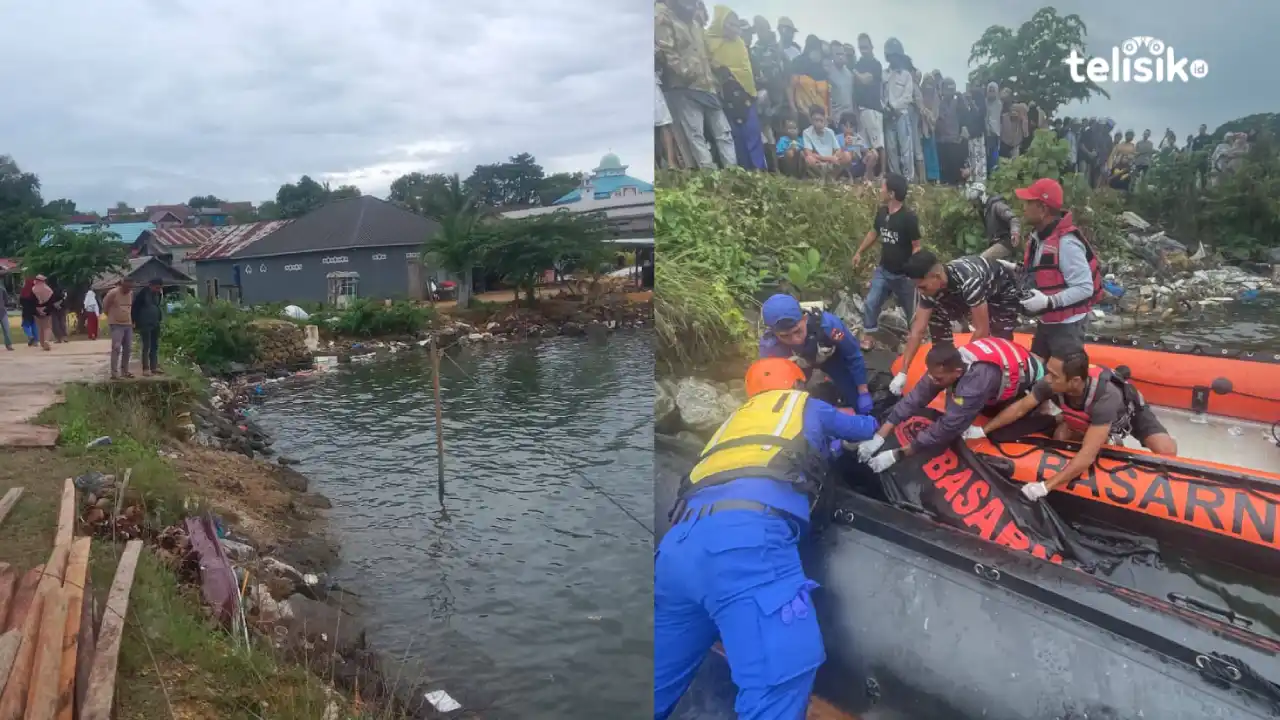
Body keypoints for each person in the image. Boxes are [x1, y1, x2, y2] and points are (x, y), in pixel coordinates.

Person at [654, 357, 879, 720]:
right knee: (780, 680)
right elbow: (864, 428)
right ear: (796, 384)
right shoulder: (805, 404)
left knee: (658, 678)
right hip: (746, 544)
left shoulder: (734, 420)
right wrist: (870, 411)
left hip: (679, 547)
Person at [968, 350, 1178, 501]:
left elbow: (1087, 454)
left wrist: (1045, 486)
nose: (1047, 380)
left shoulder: (1106, 397)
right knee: (1060, 439)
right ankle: (1071, 423)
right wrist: (984, 430)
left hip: (1126, 415)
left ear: (1075, 381)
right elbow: (1021, 407)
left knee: (1166, 450)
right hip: (1083, 417)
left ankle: (1105, 438)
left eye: (1054, 376)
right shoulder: (1052, 383)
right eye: (1048, 372)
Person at [857, 338, 1044, 472]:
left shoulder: (975, 382)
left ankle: (1048, 417)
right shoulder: (950, 364)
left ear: (957, 372)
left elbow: (949, 426)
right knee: (951, 400)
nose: (933, 381)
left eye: (938, 378)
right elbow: (918, 395)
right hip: (1007, 362)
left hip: (1026, 381)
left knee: (999, 432)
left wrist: (898, 454)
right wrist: (882, 434)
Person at [891, 251, 1023, 395]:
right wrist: (903, 372)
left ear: (937, 276)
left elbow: (981, 331)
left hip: (999, 292)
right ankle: (947, 375)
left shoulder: (969, 280)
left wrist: (958, 367)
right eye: (917, 287)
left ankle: (997, 383)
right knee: (936, 320)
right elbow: (918, 330)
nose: (920, 291)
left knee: (998, 340)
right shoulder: (930, 289)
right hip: (958, 294)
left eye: (922, 287)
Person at [1014, 178, 1104, 361]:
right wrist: (1015, 269)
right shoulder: (1040, 238)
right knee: (1036, 373)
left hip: (1067, 327)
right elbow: (1044, 272)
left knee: (1062, 381)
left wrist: (1049, 302)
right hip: (1047, 321)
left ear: (1043, 208)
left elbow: (1085, 287)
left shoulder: (1067, 243)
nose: (1024, 208)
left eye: (1029, 203)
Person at [656, 0, 738, 170]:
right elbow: (668, 54)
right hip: (685, 87)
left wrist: (718, 69)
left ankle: (733, 171)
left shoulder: (696, 23)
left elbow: (705, 53)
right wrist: (687, 73)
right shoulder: (665, 20)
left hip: (708, 86)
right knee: (695, 134)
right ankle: (709, 174)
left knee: (724, 133)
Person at [758, 293, 874, 414]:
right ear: (774, 333)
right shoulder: (770, 346)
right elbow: (776, 386)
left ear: (804, 318)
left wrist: (863, 391)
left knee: (852, 392)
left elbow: (853, 355)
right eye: (785, 336)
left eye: (797, 331)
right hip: (798, 368)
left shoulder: (828, 326)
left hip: (832, 359)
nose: (795, 339)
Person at [852, 172, 919, 350]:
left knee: (913, 313)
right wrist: (859, 251)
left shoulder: (908, 218)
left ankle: (916, 343)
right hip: (884, 271)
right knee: (871, 302)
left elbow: (916, 246)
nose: (879, 190)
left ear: (891, 194)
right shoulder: (882, 213)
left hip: (904, 276)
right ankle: (869, 335)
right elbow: (874, 233)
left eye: (882, 187)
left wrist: (916, 272)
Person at [706, 7, 766, 171]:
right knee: (735, 135)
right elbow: (709, 66)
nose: (734, 29)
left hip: (746, 95)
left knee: (752, 133)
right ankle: (742, 170)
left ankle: (759, 170)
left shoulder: (739, 43)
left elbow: (746, 71)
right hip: (725, 96)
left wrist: (730, 72)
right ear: (721, 23)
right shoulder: (708, 41)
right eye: (730, 24)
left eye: (736, 25)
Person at [882, 38, 919, 182]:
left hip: (901, 115)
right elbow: (880, 94)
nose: (893, 59)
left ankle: (908, 179)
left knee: (905, 149)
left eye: (895, 55)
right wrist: (887, 108)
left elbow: (908, 96)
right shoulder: (884, 74)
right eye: (890, 56)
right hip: (888, 115)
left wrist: (895, 107)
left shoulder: (906, 75)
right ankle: (895, 178)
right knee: (891, 148)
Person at [853, 34, 884, 176]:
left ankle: (882, 173)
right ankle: (868, 174)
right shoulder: (859, 64)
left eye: (865, 47)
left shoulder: (875, 65)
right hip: (861, 109)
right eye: (861, 48)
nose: (863, 50)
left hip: (873, 109)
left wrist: (855, 72)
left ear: (871, 47)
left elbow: (866, 80)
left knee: (878, 144)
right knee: (864, 145)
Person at [964, 182, 1021, 261]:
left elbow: (1013, 218)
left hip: (1005, 242)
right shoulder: (985, 210)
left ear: (981, 196)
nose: (975, 205)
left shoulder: (996, 205)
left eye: (976, 201)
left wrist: (1015, 232)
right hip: (995, 243)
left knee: (982, 260)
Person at [788, 35, 829, 122]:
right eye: (817, 50)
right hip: (803, 112)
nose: (819, 54)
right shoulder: (798, 62)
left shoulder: (821, 66)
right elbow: (790, 86)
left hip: (821, 115)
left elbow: (827, 93)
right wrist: (792, 107)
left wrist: (828, 114)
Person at [801, 105, 849, 177]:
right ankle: (823, 177)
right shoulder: (806, 132)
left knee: (846, 155)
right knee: (809, 159)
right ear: (811, 120)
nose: (819, 123)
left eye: (821, 120)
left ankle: (831, 177)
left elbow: (838, 149)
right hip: (819, 163)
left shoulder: (830, 132)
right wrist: (829, 158)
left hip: (832, 162)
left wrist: (834, 157)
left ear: (825, 120)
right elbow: (809, 154)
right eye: (816, 120)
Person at [133, 278, 165, 376]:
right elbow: (135, 308)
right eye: (156, 287)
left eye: (159, 288)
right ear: (150, 285)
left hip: (155, 323)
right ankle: (145, 368)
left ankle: (154, 367)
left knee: (155, 346)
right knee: (147, 346)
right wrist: (135, 322)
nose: (158, 290)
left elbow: (157, 306)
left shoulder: (158, 294)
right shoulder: (142, 294)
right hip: (145, 323)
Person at [103, 278, 135, 378]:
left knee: (128, 348)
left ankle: (125, 371)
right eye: (127, 287)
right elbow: (105, 305)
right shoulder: (113, 293)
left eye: (130, 287)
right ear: (122, 285)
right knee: (116, 347)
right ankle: (114, 373)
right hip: (116, 324)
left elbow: (130, 307)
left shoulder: (131, 293)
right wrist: (111, 315)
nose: (129, 289)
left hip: (128, 323)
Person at [838, 112, 878, 182]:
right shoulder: (838, 138)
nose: (848, 129)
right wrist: (845, 146)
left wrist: (868, 149)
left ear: (855, 127)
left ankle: (867, 176)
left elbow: (866, 149)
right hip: (844, 167)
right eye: (846, 126)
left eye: (851, 126)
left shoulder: (857, 137)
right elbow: (837, 154)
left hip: (858, 164)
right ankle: (849, 177)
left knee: (873, 154)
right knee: (847, 156)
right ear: (841, 126)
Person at [19, 278, 37, 346]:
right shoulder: (35, 291)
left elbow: (21, 302)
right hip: (34, 311)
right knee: (34, 325)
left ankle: (30, 336)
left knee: (25, 325)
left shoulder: (23, 291)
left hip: (26, 311)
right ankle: (35, 341)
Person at [0, 282, 12, 350]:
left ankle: (9, 345)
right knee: (6, 329)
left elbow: (6, 300)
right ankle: (9, 345)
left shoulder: (2, 289)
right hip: (2, 311)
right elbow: (6, 301)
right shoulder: (2, 289)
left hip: (2, 312)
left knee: (6, 329)